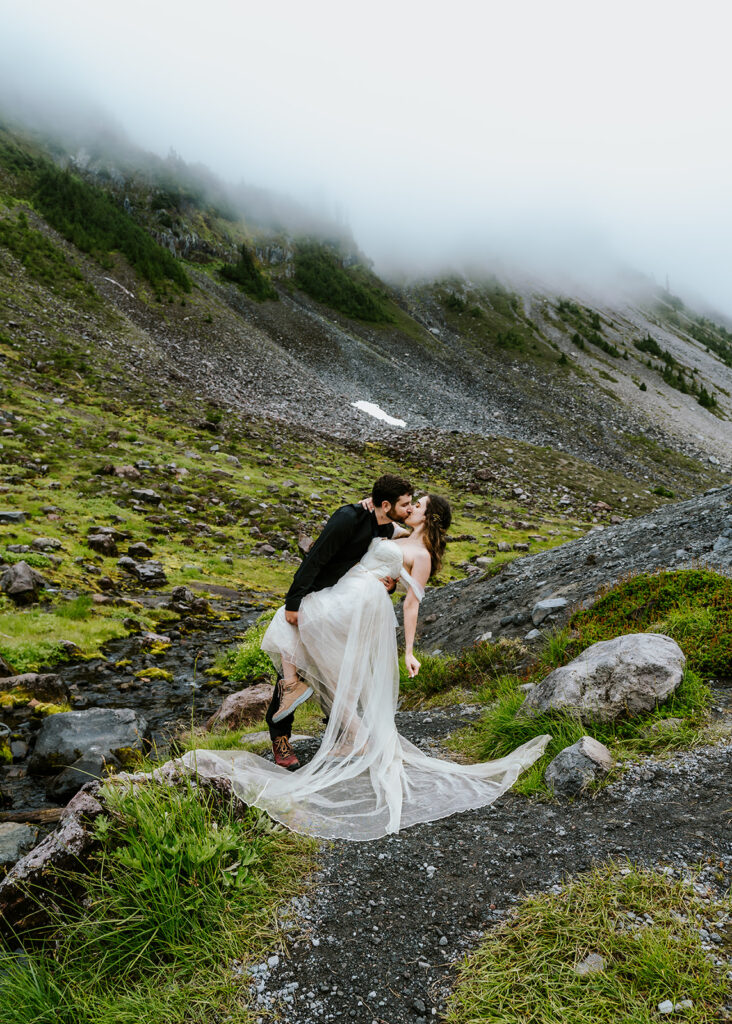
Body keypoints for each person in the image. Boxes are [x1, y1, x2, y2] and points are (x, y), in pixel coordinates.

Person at [177, 492, 550, 842]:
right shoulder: (395, 528)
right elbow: (369, 535)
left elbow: (411, 604)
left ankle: (342, 725)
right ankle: (338, 727)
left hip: (362, 608)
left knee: (299, 629)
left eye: (417, 504)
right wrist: (363, 508)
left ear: (429, 516)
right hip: (348, 595)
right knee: (320, 656)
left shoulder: (422, 555)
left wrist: (409, 651)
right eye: (409, 502)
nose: (411, 507)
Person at [265, 473, 413, 769]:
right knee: (290, 645)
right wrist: (293, 602)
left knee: (335, 669)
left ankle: (346, 734)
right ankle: (281, 738)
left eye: (411, 505)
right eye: (405, 504)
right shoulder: (348, 518)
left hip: (343, 601)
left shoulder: (383, 525)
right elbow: (315, 558)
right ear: (386, 504)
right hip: (318, 596)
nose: (409, 509)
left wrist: (390, 583)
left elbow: (388, 554)